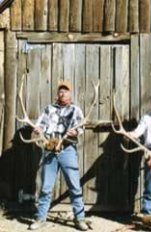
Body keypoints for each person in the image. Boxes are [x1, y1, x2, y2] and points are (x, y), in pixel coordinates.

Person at [29, 81, 89, 231]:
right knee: (46, 187)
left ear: (70, 94)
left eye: (66, 91)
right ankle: (41, 218)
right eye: (61, 91)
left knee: (75, 187)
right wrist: (38, 130)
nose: (63, 93)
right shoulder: (49, 109)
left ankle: (80, 219)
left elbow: (81, 128)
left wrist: (75, 132)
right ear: (58, 94)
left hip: (67, 149)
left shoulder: (75, 110)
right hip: (50, 148)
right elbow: (41, 124)